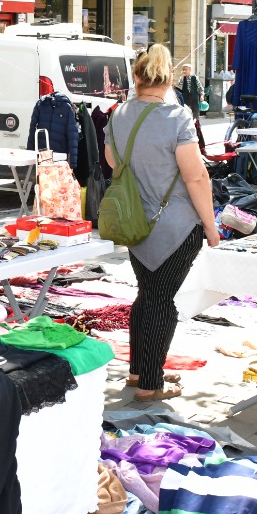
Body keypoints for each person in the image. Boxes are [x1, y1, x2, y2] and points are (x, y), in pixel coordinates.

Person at [105, 44, 219, 401]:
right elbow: (196, 177)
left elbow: (112, 162)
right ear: (169, 79)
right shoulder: (177, 117)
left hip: (135, 223)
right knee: (161, 301)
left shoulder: (118, 115)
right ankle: (151, 385)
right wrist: (213, 229)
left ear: (136, 78)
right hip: (175, 226)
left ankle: (139, 373)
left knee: (148, 295)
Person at [27, 75, 80, 170]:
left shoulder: (40, 104)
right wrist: (73, 164)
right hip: (60, 155)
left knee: (43, 179)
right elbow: (72, 136)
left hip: (42, 152)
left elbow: (32, 130)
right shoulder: (68, 108)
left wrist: (30, 152)